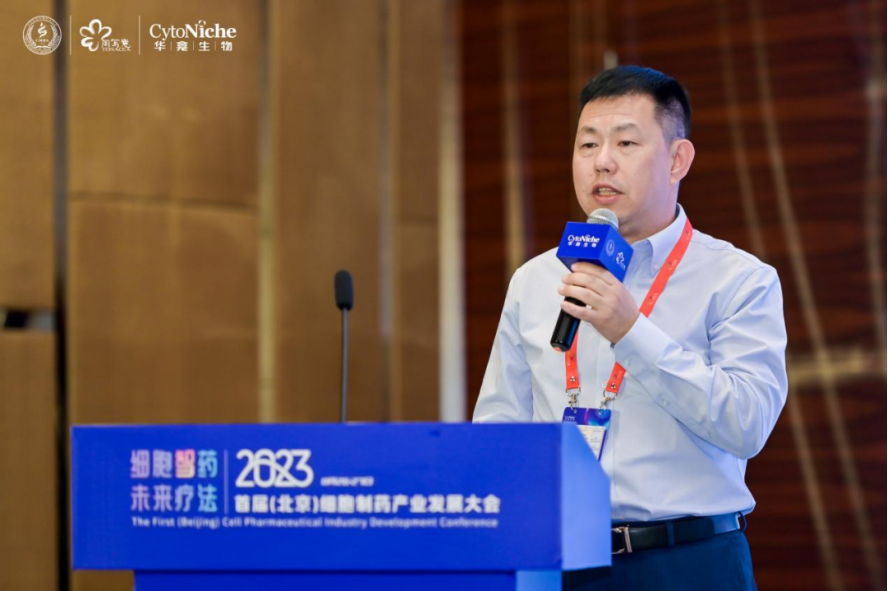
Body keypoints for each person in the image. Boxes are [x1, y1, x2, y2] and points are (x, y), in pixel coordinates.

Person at [472, 66, 788, 590]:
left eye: (625, 142)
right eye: (587, 144)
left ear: (677, 159)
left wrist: (630, 329)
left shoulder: (738, 279)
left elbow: (746, 423)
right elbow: (500, 426)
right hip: (560, 560)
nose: (602, 161)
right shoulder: (535, 280)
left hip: (688, 559)